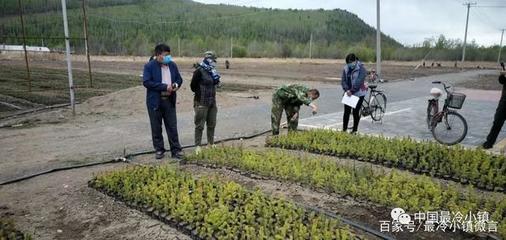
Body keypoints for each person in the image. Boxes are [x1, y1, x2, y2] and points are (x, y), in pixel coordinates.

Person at [143, 43, 184, 159]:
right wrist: (164, 87)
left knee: (172, 126)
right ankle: (159, 149)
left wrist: (176, 84)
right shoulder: (149, 67)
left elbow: (179, 79)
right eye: (165, 55)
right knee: (156, 126)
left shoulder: (172, 65)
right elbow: (147, 82)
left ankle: (176, 150)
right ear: (158, 55)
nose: (168, 57)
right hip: (155, 101)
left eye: (169, 55)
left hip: (169, 100)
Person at [191, 51, 220, 150]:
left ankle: (210, 143)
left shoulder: (213, 71)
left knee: (212, 123)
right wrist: (200, 93)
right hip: (201, 102)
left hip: (212, 102)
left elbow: (216, 83)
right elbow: (193, 86)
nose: (214, 62)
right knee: (200, 125)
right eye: (213, 60)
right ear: (208, 59)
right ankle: (198, 146)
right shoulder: (199, 71)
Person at [341, 53, 367, 133]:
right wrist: (347, 90)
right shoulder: (346, 68)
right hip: (348, 93)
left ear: (355, 61)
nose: (350, 64)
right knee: (346, 112)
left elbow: (359, 81)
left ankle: (354, 130)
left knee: (356, 112)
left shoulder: (361, 68)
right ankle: (344, 130)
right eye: (348, 63)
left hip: (359, 93)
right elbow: (343, 80)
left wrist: (352, 91)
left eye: (350, 62)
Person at [482, 71, 506, 149]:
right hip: (504, 102)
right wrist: (502, 75)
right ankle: (489, 143)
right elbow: (502, 81)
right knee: (497, 122)